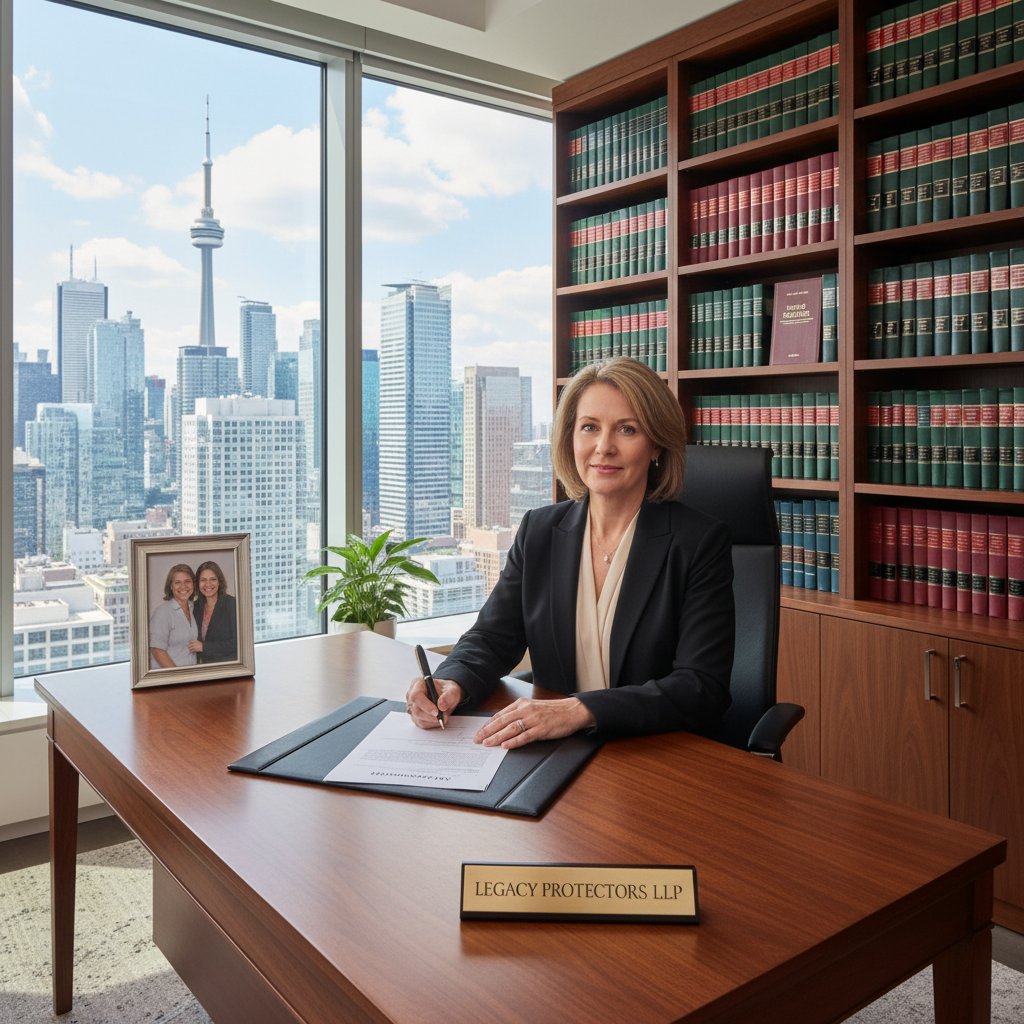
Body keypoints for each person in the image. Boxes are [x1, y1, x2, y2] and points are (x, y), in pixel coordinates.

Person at [406, 356, 735, 748]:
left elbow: (700, 687)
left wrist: (578, 711)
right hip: (560, 755)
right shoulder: (539, 531)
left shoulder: (699, 543)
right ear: (571, 438)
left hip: (656, 755)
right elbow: (492, 637)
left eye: (627, 429)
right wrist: (450, 681)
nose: (603, 447)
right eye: (589, 427)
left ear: (656, 446)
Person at [149, 564, 199, 669]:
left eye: (187, 581)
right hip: (170, 679)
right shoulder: (162, 612)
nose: (183, 586)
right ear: (171, 586)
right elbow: (157, 651)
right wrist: (178, 678)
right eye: (177, 582)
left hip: (191, 677)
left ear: (193, 584)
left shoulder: (194, 609)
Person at [188, 560, 238, 664]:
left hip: (227, 667)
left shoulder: (231, 604)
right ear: (198, 583)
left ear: (219, 581)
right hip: (205, 668)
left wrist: (204, 647)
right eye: (203, 580)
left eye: (213, 579)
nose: (208, 584)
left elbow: (237, 643)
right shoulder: (195, 607)